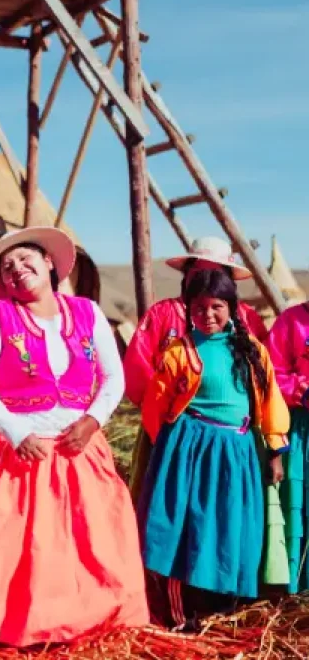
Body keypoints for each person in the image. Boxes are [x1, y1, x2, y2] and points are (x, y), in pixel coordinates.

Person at [0, 227, 148, 646]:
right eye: (7, 269)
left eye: (25, 260)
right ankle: (7, 622)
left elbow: (113, 377)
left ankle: (84, 619)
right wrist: (18, 432)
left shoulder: (88, 314)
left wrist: (93, 420)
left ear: (48, 264)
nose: (17, 271)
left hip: (77, 445)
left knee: (87, 537)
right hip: (14, 449)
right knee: (12, 542)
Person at [138, 268, 289, 627]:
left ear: (232, 307)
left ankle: (221, 608)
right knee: (187, 525)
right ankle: (181, 611)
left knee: (230, 525)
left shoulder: (251, 351)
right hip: (190, 451)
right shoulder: (179, 351)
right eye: (199, 307)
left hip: (236, 452)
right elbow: (155, 406)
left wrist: (274, 450)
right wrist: (173, 450)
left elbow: (270, 401)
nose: (207, 315)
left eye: (216, 307)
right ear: (189, 308)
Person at [125, 237, 269, 501]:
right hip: (166, 425)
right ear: (188, 274)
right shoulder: (163, 314)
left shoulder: (245, 318)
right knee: (165, 496)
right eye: (200, 272)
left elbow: (261, 373)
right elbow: (138, 365)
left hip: (230, 435)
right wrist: (165, 417)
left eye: (216, 272)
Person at [266, 301, 309, 593]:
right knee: (299, 500)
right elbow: (271, 372)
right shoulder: (291, 321)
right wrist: (302, 389)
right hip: (302, 428)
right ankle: (298, 590)